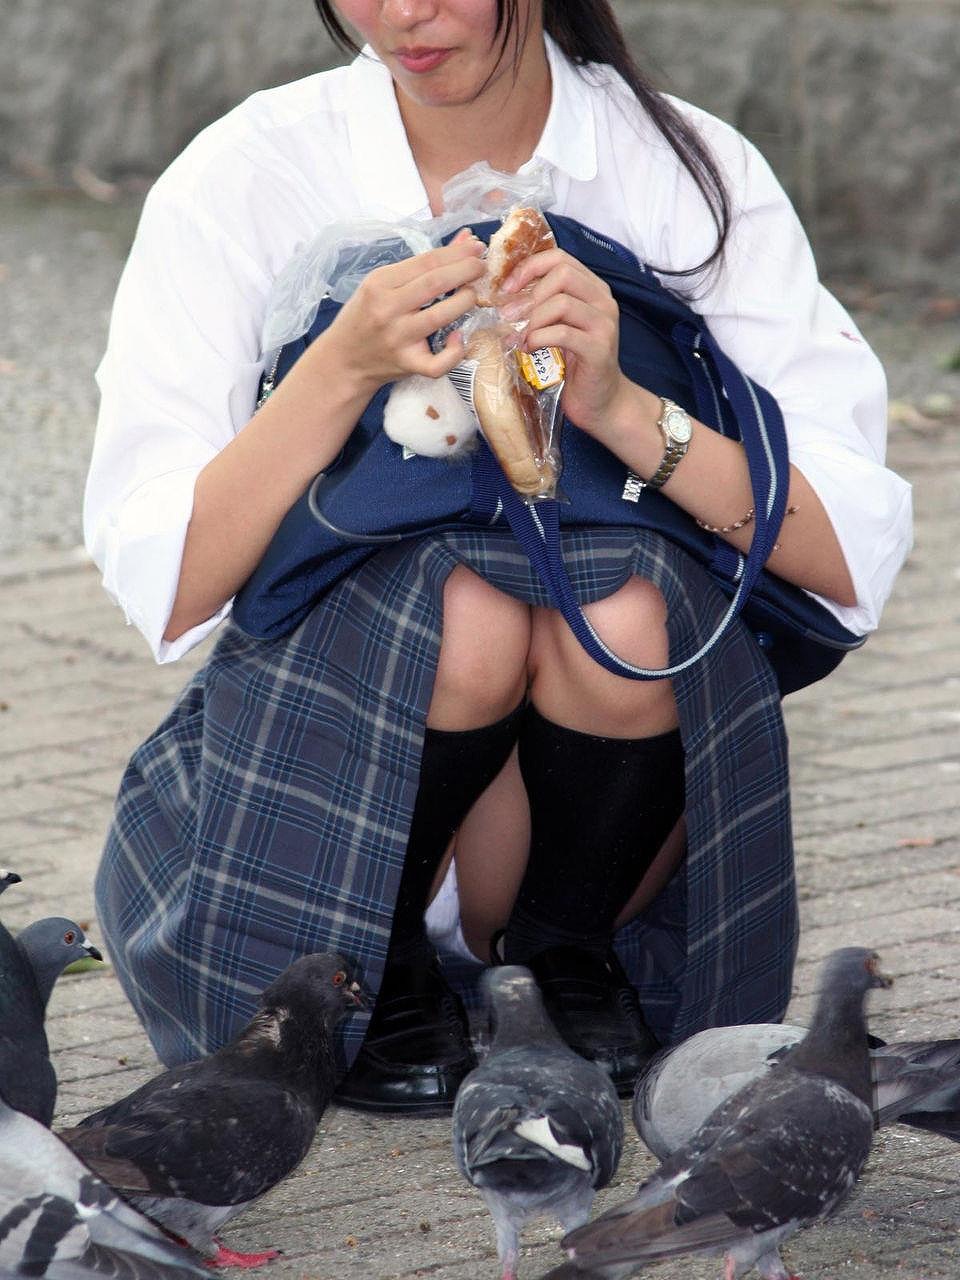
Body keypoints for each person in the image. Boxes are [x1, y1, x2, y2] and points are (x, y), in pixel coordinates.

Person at [83, 0, 912, 1114]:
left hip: (598, 801)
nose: (402, 14)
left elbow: (842, 551)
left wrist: (620, 407)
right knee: (466, 603)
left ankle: (568, 944)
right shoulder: (248, 174)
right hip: (331, 787)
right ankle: (373, 960)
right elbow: (173, 577)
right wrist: (339, 366)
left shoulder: (685, 174)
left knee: (620, 607)